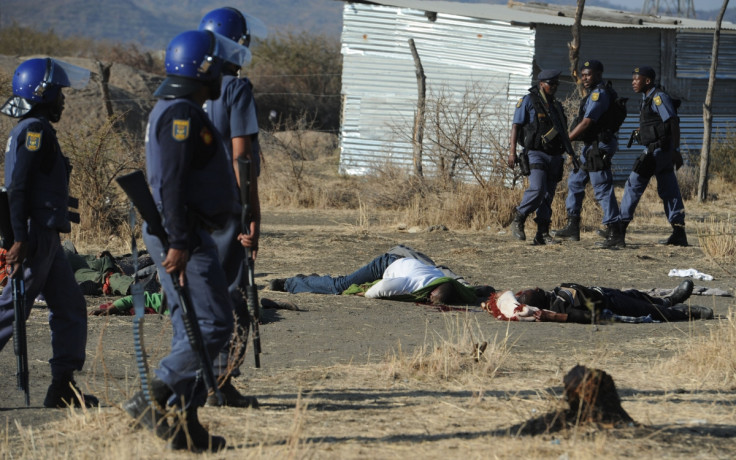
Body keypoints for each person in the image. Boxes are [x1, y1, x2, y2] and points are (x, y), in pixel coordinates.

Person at [122, 30, 250, 452]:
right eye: (216, 65)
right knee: (215, 322)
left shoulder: (180, 109)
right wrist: (178, 241)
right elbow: (171, 184)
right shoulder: (180, 115)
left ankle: (186, 425)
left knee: (190, 327)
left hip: (185, 233)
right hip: (183, 237)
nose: (224, 73)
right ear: (203, 70)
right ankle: (154, 396)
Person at [0, 58, 99, 408]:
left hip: (47, 237)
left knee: (70, 306)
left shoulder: (37, 129)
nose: (63, 100)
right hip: (35, 236)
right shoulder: (33, 131)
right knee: (11, 309)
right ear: (41, 92)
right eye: (58, 93)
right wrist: (19, 239)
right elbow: (17, 188)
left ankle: (62, 388)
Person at [198, 6, 267, 409]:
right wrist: (251, 215)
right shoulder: (236, 90)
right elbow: (242, 157)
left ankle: (205, 376)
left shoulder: (196, 89)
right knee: (232, 293)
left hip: (198, 206)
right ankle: (220, 379)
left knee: (206, 291)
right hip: (228, 207)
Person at [551, 60, 625, 249]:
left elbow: (586, 122)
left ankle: (614, 232)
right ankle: (572, 226)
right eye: (582, 75)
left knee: (601, 187)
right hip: (589, 147)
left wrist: (567, 140)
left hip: (599, 146)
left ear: (598, 74)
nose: (584, 78)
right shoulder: (593, 93)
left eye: (588, 75)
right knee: (575, 182)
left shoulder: (599, 95)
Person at [269, 245, 487, 305]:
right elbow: (375, 291)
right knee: (340, 286)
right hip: (388, 262)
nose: (428, 300)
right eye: (430, 298)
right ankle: (289, 283)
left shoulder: (451, 283)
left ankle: (309, 280)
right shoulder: (409, 283)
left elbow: (480, 291)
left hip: (412, 258)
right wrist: (362, 292)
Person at [619, 66, 687, 246]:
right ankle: (679, 231)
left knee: (633, 184)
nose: (633, 82)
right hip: (662, 152)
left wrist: (675, 151)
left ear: (647, 81)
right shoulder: (647, 98)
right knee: (669, 190)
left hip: (657, 152)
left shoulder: (658, 97)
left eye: (636, 79)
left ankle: (619, 230)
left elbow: (672, 122)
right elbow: (658, 124)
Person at [508, 69, 567, 245]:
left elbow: (563, 130)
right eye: (551, 84)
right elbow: (516, 126)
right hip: (535, 153)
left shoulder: (556, 105)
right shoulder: (528, 101)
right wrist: (511, 152)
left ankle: (542, 233)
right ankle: (519, 218)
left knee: (548, 195)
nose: (554, 87)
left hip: (555, 154)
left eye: (556, 84)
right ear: (541, 84)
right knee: (537, 188)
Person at [486, 279, 712, 323]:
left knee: (642, 296)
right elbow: (587, 317)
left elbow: (502, 295)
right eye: (527, 291)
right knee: (650, 311)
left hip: (606, 292)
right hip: (610, 305)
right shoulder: (557, 306)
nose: (531, 287)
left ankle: (671, 299)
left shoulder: (554, 294)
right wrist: (557, 317)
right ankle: (688, 312)